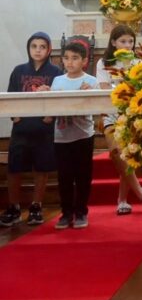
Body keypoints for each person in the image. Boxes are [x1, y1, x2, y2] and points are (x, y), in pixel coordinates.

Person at [1, 32, 62, 227]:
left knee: (41, 168)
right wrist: (15, 116)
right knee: (14, 168)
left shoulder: (56, 72)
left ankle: (36, 206)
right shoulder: (19, 70)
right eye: (34, 46)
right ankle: (14, 207)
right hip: (21, 128)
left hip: (44, 128)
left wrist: (51, 116)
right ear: (28, 48)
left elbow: (59, 98)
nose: (38, 50)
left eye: (42, 47)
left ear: (49, 49)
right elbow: (10, 96)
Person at [95, 25, 142, 215]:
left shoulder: (137, 62)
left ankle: (122, 200)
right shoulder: (103, 62)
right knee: (116, 152)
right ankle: (141, 193)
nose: (127, 45)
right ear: (113, 42)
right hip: (111, 113)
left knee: (128, 155)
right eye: (123, 41)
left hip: (132, 113)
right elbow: (105, 88)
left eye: (130, 41)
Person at [50, 42, 99, 229]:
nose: (70, 62)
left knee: (83, 176)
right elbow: (52, 106)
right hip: (61, 136)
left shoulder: (91, 81)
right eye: (66, 58)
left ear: (84, 61)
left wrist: (90, 94)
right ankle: (66, 213)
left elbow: (96, 107)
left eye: (75, 58)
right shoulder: (57, 81)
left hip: (83, 135)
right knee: (64, 177)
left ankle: (81, 212)